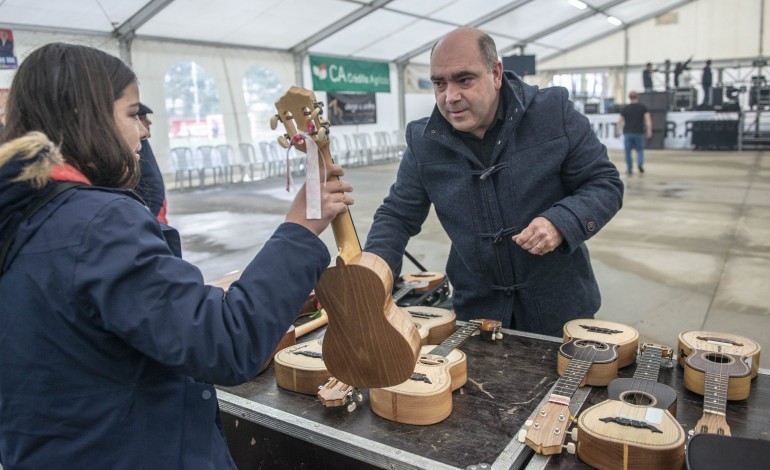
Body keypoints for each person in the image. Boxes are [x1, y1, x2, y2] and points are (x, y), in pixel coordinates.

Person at [0, 43, 353, 468]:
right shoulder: (97, 225)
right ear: (85, 116)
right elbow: (228, 342)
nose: (145, 131)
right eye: (133, 114)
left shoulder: (23, 217)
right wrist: (300, 229)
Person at [364, 27, 624, 337]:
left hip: (561, 312)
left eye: (464, 80)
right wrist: (371, 276)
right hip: (476, 315)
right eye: (439, 84)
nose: (450, 97)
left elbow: (604, 182)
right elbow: (397, 215)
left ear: (496, 73)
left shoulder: (553, 113)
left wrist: (562, 222)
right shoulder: (424, 141)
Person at [134, 103, 169, 223]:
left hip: (156, 208)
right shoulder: (133, 145)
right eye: (143, 117)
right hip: (150, 210)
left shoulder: (143, 143)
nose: (149, 123)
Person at [616, 91, 652, 176]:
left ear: (629, 97)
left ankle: (629, 168)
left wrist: (617, 131)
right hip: (639, 132)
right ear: (637, 97)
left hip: (628, 132)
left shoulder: (625, 108)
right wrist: (649, 130)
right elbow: (648, 119)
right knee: (639, 150)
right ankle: (640, 163)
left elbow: (620, 121)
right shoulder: (643, 107)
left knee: (627, 151)